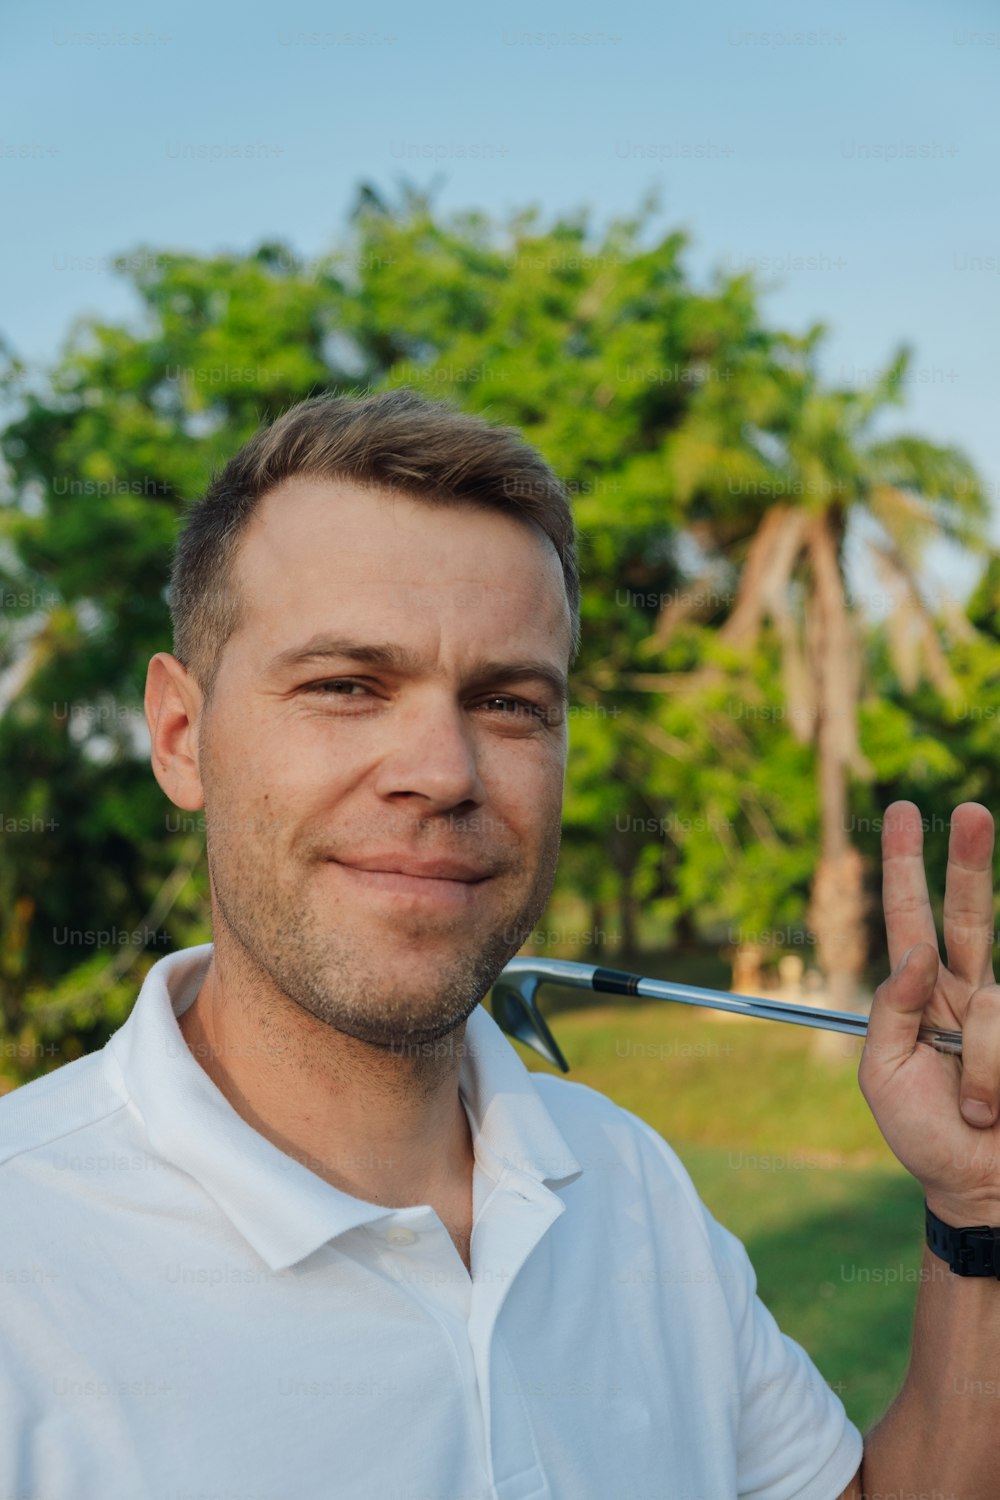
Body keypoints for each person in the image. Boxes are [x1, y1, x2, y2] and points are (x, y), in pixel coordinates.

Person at [1, 388, 998, 1500]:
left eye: (510, 703)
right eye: (345, 686)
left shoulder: (626, 1179)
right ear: (182, 737)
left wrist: (978, 1212)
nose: (443, 770)